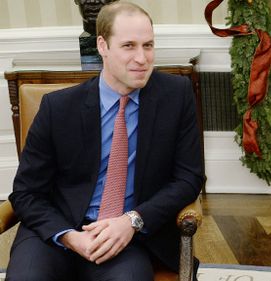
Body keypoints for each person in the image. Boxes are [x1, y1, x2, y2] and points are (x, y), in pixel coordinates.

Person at [6, 2, 204, 281]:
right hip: (56, 232)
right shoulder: (58, 108)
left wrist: (133, 220)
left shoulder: (176, 95)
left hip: (127, 235)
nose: (141, 58)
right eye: (128, 46)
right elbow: (25, 193)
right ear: (102, 46)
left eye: (148, 45)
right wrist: (70, 237)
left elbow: (189, 178)